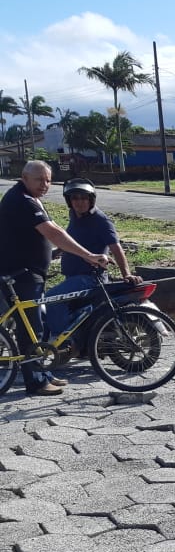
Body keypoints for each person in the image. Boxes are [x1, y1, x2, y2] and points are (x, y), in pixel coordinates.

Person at [0, 161, 109, 396]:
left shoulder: (29, 197)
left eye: (48, 180)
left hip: (28, 273)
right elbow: (53, 232)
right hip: (22, 275)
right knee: (31, 329)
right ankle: (37, 382)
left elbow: (53, 229)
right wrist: (88, 255)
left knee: (37, 322)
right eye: (39, 179)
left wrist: (60, 250)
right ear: (24, 177)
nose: (45, 184)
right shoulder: (23, 200)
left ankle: (44, 373)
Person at [44, 178, 141, 337]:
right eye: (75, 198)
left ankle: (60, 341)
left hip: (89, 278)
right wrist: (55, 252)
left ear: (91, 199)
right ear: (69, 201)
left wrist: (127, 274)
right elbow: (73, 239)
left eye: (84, 198)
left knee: (52, 299)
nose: (79, 202)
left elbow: (115, 247)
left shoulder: (101, 220)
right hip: (73, 277)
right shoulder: (75, 216)